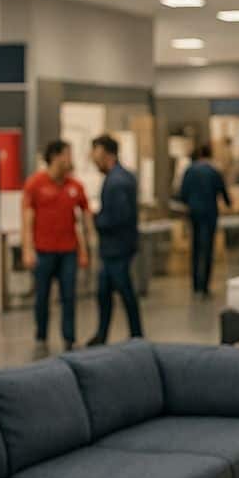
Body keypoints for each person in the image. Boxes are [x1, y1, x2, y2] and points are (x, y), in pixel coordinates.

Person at [22, 140, 91, 353]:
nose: (70, 159)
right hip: (43, 251)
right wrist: (27, 249)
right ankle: (41, 335)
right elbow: (27, 218)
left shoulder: (75, 186)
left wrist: (85, 248)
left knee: (69, 296)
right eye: (67, 155)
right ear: (55, 157)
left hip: (68, 251)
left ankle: (69, 338)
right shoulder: (35, 184)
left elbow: (84, 217)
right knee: (42, 297)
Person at [88, 134, 142, 345]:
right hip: (114, 247)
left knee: (124, 290)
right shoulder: (117, 177)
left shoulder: (117, 181)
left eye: (95, 153)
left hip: (117, 247)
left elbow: (120, 216)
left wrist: (97, 220)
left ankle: (136, 334)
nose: (93, 159)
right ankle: (102, 334)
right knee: (104, 292)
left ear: (105, 153)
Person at [178, 143, 231, 297]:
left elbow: (182, 193)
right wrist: (228, 204)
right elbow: (223, 192)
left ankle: (195, 284)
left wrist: (189, 203)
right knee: (208, 248)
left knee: (195, 247)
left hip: (194, 213)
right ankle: (205, 285)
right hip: (210, 213)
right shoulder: (214, 171)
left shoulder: (189, 171)